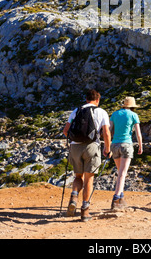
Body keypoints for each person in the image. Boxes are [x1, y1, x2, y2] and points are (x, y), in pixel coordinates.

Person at [63, 89, 111, 222]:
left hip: (75, 146)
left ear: (86, 99)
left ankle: (73, 196)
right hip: (92, 146)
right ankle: (85, 211)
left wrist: (75, 140)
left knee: (78, 176)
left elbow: (65, 131)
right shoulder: (101, 112)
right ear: (98, 100)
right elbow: (106, 133)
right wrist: (107, 149)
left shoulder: (76, 111)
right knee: (89, 178)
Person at [109, 96, 143, 210]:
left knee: (120, 173)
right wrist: (140, 146)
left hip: (114, 145)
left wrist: (108, 146)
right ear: (133, 106)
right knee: (122, 174)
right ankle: (116, 198)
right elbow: (138, 133)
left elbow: (109, 131)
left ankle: (121, 197)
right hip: (126, 145)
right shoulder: (134, 115)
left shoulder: (115, 114)